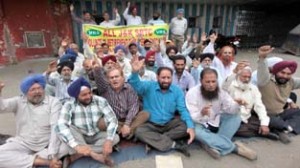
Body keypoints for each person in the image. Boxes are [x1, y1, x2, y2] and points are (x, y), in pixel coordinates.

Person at [128, 56, 195, 157]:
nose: (166, 81)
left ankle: (154, 141)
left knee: (185, 127)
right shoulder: (148, 86)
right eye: (163, 78)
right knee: (139, 131)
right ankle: (174, 144)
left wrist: (190, 126)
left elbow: (182, 110)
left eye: (168, 78)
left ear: (172, 78)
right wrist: (134, 72)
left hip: (169, 123)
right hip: (151, 124)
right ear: (157, 77)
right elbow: (135, 84)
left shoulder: (177, 91)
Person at [186, 68, 257, 160]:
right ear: (201, 81)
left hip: (215, 120)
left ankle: (213, 144)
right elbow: (191, 117)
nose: (211, 85)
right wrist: (201, 113)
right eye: (207, 82)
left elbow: (230, 109)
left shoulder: (220, 92)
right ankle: (234, 148)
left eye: (213, 81)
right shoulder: (192, 93)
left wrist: (237, 104)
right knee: (195, 132)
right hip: (199, 123)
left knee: (236, 116)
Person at [0, 75, 65, 168]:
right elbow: (2, 108)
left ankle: (25, 161)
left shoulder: (54, 102)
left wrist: (52, 154)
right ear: (26, 93)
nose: (37, 92)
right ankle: (40, 161)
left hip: (46, 145)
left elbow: (55, 129)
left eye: (39, 88)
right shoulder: (19, 101)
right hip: (24, 143)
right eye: (33, 89)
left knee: (67, 147)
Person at [56, 77, 119, 166]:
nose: (88, 96)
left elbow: (112, 120)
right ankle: (95, 155)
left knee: (115, 138)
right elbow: (61, 125)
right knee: (66, 128)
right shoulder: (69, 105)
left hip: (96, 134)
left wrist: (108, 141)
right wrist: (77, 146)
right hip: (80, 136)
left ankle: (76, 156)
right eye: (84, 95)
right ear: (77, 96)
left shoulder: (100, 101)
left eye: (90, 93)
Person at [92, 61, 149, 139]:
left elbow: (133, 106)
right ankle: (128, 133)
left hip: (130, 120)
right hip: (115, 121)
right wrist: (97, 69)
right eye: (111, 78)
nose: (114, 79)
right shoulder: (105, 89)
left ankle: (125, 132)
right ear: (108, 80)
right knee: (101, 123)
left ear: (123, 78)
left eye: (117, 76)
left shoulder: (129, 87)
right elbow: (99, 79)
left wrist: (126, 124)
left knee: (145, 114)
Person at [257, 45, 300, 143]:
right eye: (282, 72)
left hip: (281, 113)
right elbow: (262, 69)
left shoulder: (291, 82)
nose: (285, 76)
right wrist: (262, 57)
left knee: (297, 112)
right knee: (273, 121)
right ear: (276, 72)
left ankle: (280, 129)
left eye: (288, 74)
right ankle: (285, 128)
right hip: (265, 116)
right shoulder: (265, 80)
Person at [222, 66, 278, 140]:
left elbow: (259, 106)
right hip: (231, 117)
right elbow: (223, 87)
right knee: (229, 127)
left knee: (270, 121)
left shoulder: (253, 88)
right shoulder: (230, 86)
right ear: (238, 76)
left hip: (247, 118)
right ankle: (259, 132)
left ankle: (260, 129)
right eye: (244, 77)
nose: (247, 79)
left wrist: (264, 124)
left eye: (249, 77)